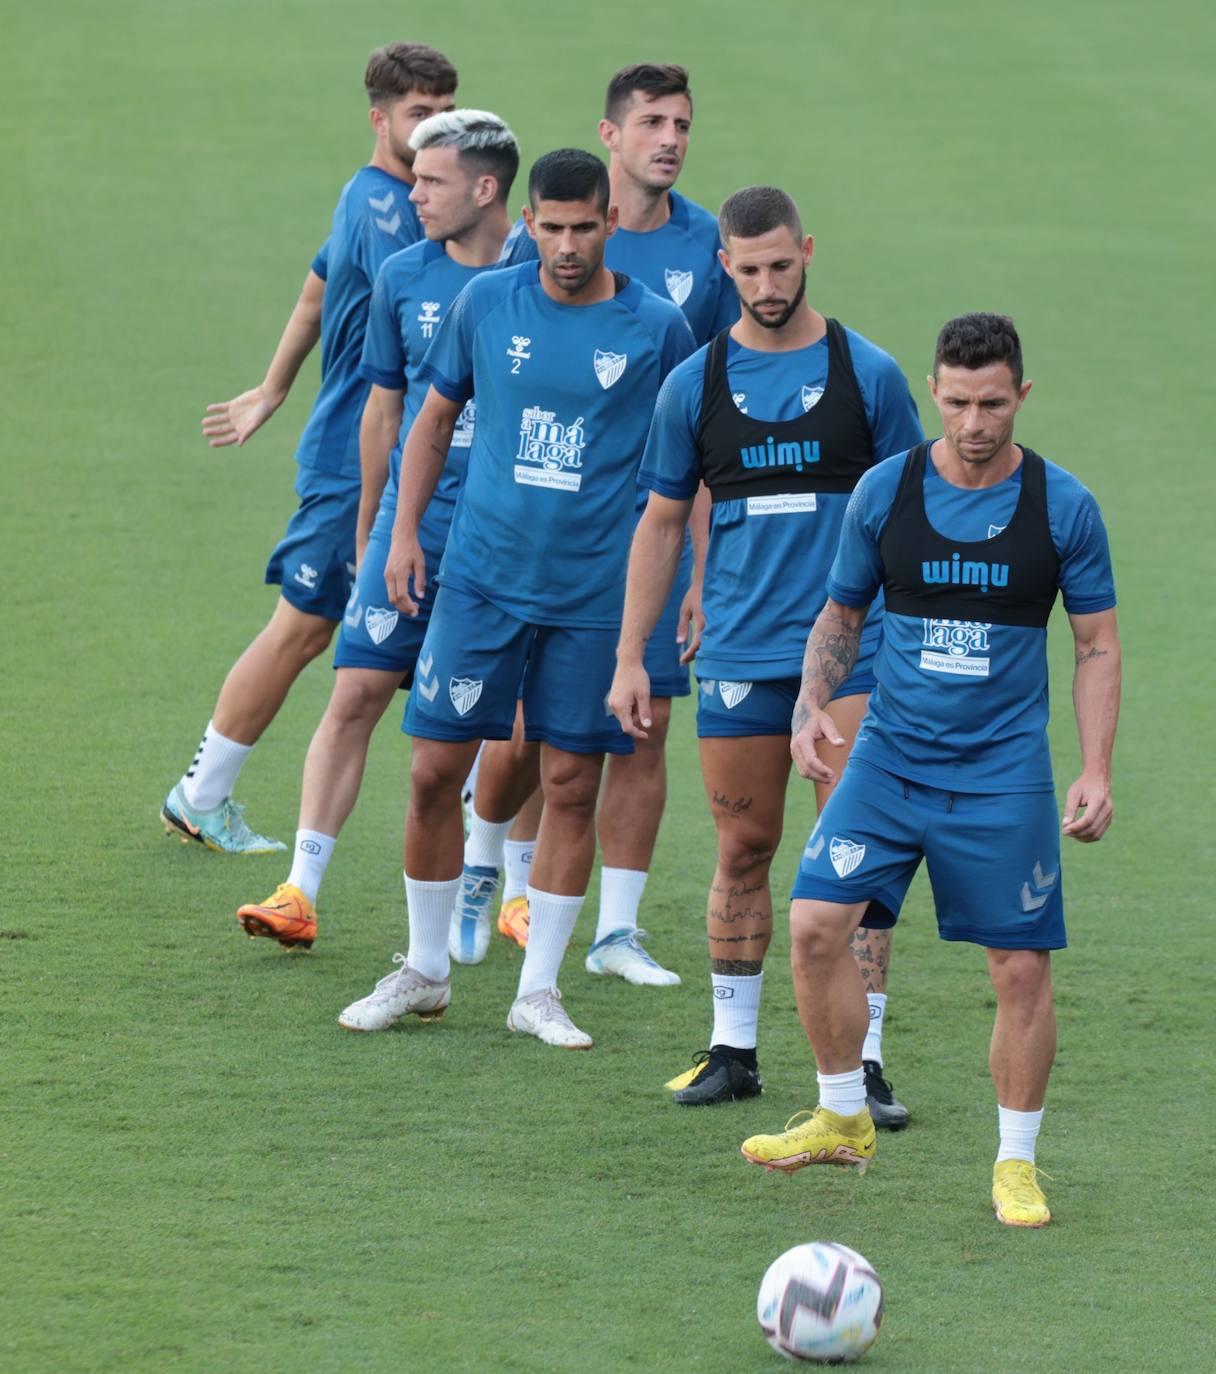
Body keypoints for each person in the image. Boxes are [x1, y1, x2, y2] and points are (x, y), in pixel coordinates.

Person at [739, 313, 1120, 1230]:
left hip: (1001, 777)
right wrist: (807, 709)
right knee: (813, 923)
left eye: (993, 404)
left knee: (1019, 970)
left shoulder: (1062, 507)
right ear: (934, 392)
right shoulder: (886, 492)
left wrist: (1096, 769)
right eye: (956, 403)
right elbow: (840, 617)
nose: (975, 423)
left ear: (1021, 397)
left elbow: (1097, 645)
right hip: (891, 763)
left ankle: (1017, 1165)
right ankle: (841, 1112)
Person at [336, 149, 694, 1045]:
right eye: (553, 227)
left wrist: (697, 580)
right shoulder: (486, 302)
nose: (568, 245)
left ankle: (537, 990)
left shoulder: (658, 328)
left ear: (611, 222)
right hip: (482, 580)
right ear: (528, 221)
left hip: (593, 597)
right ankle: (423, 970)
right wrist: (405, 532)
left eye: (585, 227)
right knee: (430, 773)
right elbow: (433, 420)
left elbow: (693, 470)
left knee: (572, 782)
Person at [609, 186, 923, 1109]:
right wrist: (633, 656)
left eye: (781, 264)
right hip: (742, 654)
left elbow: (915, 517)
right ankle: (733, 1051)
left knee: (855, 854)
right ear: (724, 268)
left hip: (853, 659)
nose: (767, 283)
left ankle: (863, 1063)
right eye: (748, 269)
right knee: (743, 845)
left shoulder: (871, 377)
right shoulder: (693, 386)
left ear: (808, 252)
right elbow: (661, 525)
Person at [460, 63, 737, 983]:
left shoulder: (708, 250)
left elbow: (705, 413)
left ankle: (615, 931)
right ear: (611, 135)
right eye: (653, 121)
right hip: (538, 538)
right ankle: (489, 863)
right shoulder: (540, 249)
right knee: (534, 731)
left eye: (683, 123)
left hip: (642, 541)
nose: (671, 138)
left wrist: (702, 561)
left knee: (645, 723)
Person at [231, 110, 519, 948]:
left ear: (485, 188)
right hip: (413, 525)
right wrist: (372, 530)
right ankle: (299, 887)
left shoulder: (543, 272)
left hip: (507, 533)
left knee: (519, 722)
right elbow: (382, 412)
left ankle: (500, 877)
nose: (414, 193)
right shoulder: (403, 275)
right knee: (355, 690)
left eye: (431, 181)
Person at [160, 43, 457, 853]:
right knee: (303, 627)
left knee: (376, 633)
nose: (433, 128)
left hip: (396, 453)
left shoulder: (376, 195)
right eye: (418, 114)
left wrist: (271, 388)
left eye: (444, 112)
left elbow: (314, 290)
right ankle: (201, 792)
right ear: (379, 118)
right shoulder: (394, 212)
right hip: (356, 457)